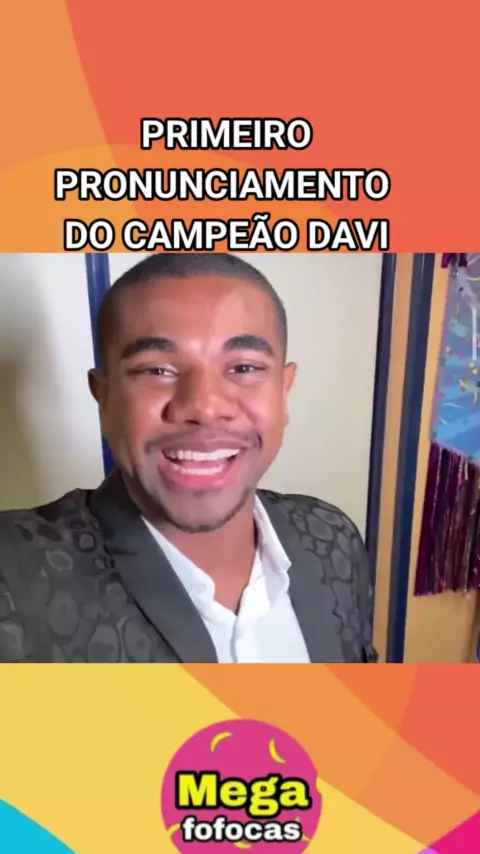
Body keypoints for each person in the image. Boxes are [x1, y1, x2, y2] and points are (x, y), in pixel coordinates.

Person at [0, 253, 377, 663]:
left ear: (284, 393)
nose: (205, 407)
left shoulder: (332, 539)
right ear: (103, 399)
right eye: (157, 370)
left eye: (244, 367)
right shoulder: (16, 575)